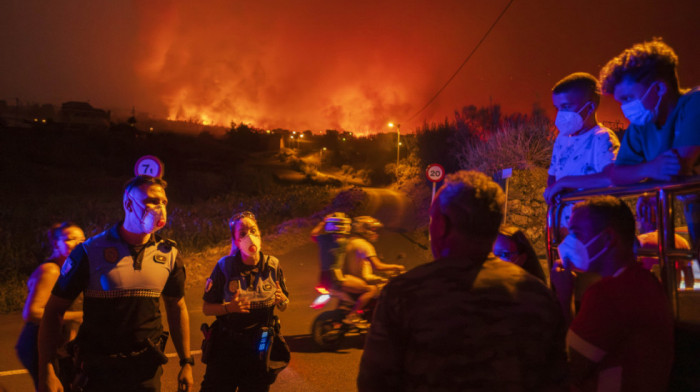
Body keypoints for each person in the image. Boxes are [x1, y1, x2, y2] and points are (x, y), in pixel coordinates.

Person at [358, 171, 567, 391]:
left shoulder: (404, 294)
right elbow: (557, 380)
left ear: (441, 226)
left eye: (432, 219)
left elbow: (374, 383)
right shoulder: (537, 296)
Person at [38, 175, 193, 392]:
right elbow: (54, 310)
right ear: (128, 203)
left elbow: (177, 307)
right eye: (151, 201)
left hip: (146, 371)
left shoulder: (169, 255)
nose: (160, 208)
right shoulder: (89, 252)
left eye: (164, 202)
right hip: (99, 373)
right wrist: (47, 370)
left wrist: (186, 362)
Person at [551, 196, 674, 391]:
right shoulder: (645, 281)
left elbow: (568, 368)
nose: (568, 242)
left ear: (607, 238)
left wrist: (564, 297)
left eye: (576, 233)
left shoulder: (609, 295)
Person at [601, 38, 700, 254]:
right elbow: (616, 175)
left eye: (628, 97)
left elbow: (678, 167)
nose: (625, 107)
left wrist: (644, 177)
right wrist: (649, 170)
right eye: (621, 101)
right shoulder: (642, 125)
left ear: (659, 88)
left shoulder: (695, 103)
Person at [201, 211, 289, 392]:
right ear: (235, 240)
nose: (250, 237)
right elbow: (207, 309)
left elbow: (284, 304)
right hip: (227, 348)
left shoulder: (273, 266)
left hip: (260, 349)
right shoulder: (225, 267)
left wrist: (282, 301)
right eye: (242, 233)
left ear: (260, 234)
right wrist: (229, 308)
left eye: (253, 231)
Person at [16, 222, 85, 390]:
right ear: (56, 244)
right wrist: (79, 315)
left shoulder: (68, 268)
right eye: (70, 239)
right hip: (38, 346)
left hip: (56, 345)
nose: (78, 243)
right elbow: (32, 313)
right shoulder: (51, 270)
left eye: (82, 239)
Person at [544, 72, 620, 222]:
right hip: (562, 226)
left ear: (590, 107)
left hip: (593, 226)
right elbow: (553, 174)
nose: (560, 114)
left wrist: (565, 182)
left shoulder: (602, 137)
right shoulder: (561, 139)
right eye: (557, 108)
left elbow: (611, 178)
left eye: (566, 106)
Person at [340, 216, 404, 327]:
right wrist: (397, 267)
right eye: (373, 229)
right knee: (387, 290)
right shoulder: (365, 245)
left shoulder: (347, 242)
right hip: (362, 280)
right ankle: (360, 316)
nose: (375, 232)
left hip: (349, 279)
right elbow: (378, 266)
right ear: (362, 229)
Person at [310, 212, 352, 290]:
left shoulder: (323, 238)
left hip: (323, 274)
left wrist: (323, 222)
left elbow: (313, 234)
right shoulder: (344, 241)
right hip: (336, 274)